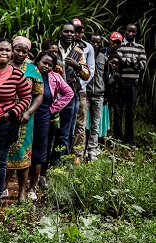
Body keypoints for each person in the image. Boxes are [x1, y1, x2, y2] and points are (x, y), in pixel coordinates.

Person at [0, 38, 31, 204]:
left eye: (7, 50)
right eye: (0, 49)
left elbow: (26, 98)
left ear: (11, 53)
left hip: (3, 124)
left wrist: (12, 113)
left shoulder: (17, 74)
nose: (4, 53)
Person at [4, 36, 44, 203]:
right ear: (12, 49)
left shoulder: (33, 70)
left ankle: (21, 192)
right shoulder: (3, 66)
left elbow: (39, 95)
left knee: (23, 155)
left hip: (25, 119)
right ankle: (1, 188)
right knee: (1, 153)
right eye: (17, 50)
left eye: (24, 51)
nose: (20, 54)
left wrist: (28, 112)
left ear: (28, 53)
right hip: (4, 116)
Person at [29, 51, 73, 195]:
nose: (47, 66)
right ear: (38, 61)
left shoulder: (55, 77)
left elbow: (69, 93)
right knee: (23, 148)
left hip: (43, 116)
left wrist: (53, 109)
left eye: (50, 65)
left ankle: (33, 184)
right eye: (44, 63)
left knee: (40, 150)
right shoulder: (29, 72)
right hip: (25, 116)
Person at [50, 23, 90, 166]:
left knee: (67, 131)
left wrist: (77, 66)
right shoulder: (53, 48)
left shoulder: (78, 51)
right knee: (51, 131)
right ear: (60, 33)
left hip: (71, 96)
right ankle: (46, 163)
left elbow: (86, 75)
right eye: (66, 31)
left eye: (71, 32)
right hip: (52, 96)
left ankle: (60, 163)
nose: (69, 34)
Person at [115, 23, 147, 150]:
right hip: (120, 83)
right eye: (129, 31)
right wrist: (134, 61)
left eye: (133, 32)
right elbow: (118, 60)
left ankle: (130, 140)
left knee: (130, 112)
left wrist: (127, 60)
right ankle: (118, 138)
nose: (131, 34)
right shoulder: (120, 45)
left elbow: (143, 65)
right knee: (118, 112)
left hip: (133, 83)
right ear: (125, 31)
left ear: (136, 33)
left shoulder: (140, 47)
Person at [70, 18, 95, 164]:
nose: (78, 34)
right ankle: (62, 152)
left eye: (80, 31)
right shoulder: (63, 45)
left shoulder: (88, 48)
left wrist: (79, 83)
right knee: (65, 123)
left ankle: (77, 154)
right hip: (64, 90)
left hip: (81, 90)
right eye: (75, 30)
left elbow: (90, 70)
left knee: (80, 123)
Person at [85, 33, 109, 161]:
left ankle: (92, 150)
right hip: (86, 95)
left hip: (99, 95)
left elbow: (106, 77)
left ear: (101, 43)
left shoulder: (103, 59)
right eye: (93, 42)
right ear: (89, 42)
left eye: (98, 42)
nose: (95, 44)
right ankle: (81, 148)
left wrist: (106, 95)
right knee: (82, 124)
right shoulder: (84, 56)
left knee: (95, 125)